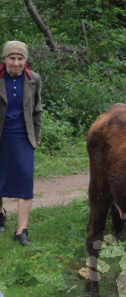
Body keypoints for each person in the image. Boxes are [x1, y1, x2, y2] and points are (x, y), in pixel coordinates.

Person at [0, 41, 42, 246]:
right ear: (5, 59)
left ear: (25, 61)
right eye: (12, 58)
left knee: (25, 180)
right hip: (1, 136)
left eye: (20, 58)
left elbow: (37, 110)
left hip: (24, 136)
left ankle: (21, 231)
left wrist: (37, 134)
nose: (15, 63)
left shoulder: (33, 79)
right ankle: (1, 214)